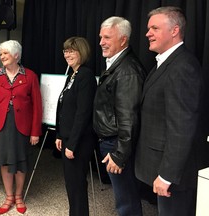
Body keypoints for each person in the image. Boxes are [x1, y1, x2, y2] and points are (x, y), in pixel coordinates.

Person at [135, 6, 202, 216]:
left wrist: (166, 176)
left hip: (174, 175)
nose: (147, 33)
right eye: (148, 28)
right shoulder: (165, 64)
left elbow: (182, 127)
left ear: (174, 30)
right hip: (162, 167)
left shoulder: (182, 67)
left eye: (154, 28)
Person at [93, 16, 146, 216]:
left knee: (126, 200)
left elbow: (129, 117)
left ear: (123, 40)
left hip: (116, 145)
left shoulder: (127, 71)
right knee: (124, 196)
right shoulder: (116, 63)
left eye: (107, 37)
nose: (101, 43)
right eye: (100, 37)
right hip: (112, 141)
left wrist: (119, 154)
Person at [0, 40, 42, 215]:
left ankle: (18, 196)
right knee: (5, 161)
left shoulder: (30, 76)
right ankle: (8, 197)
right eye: (1, 54)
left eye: (5, 54)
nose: (2, 57)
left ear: (16, 55)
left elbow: (37, 106)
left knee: (21, 162)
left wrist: (35, 132)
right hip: (0, 126)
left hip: (22, 126)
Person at [55, 37, 97, 216]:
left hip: (78, 141)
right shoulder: (73, 75)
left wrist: (72, 144)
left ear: (82, 52)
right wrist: (58, 134)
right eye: (65, 51)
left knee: (77, 184)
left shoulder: (85, 76)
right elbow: (64, 108)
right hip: (67, 137)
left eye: (72, 50)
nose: (67, 54)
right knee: (71, 184)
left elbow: (83, 113)